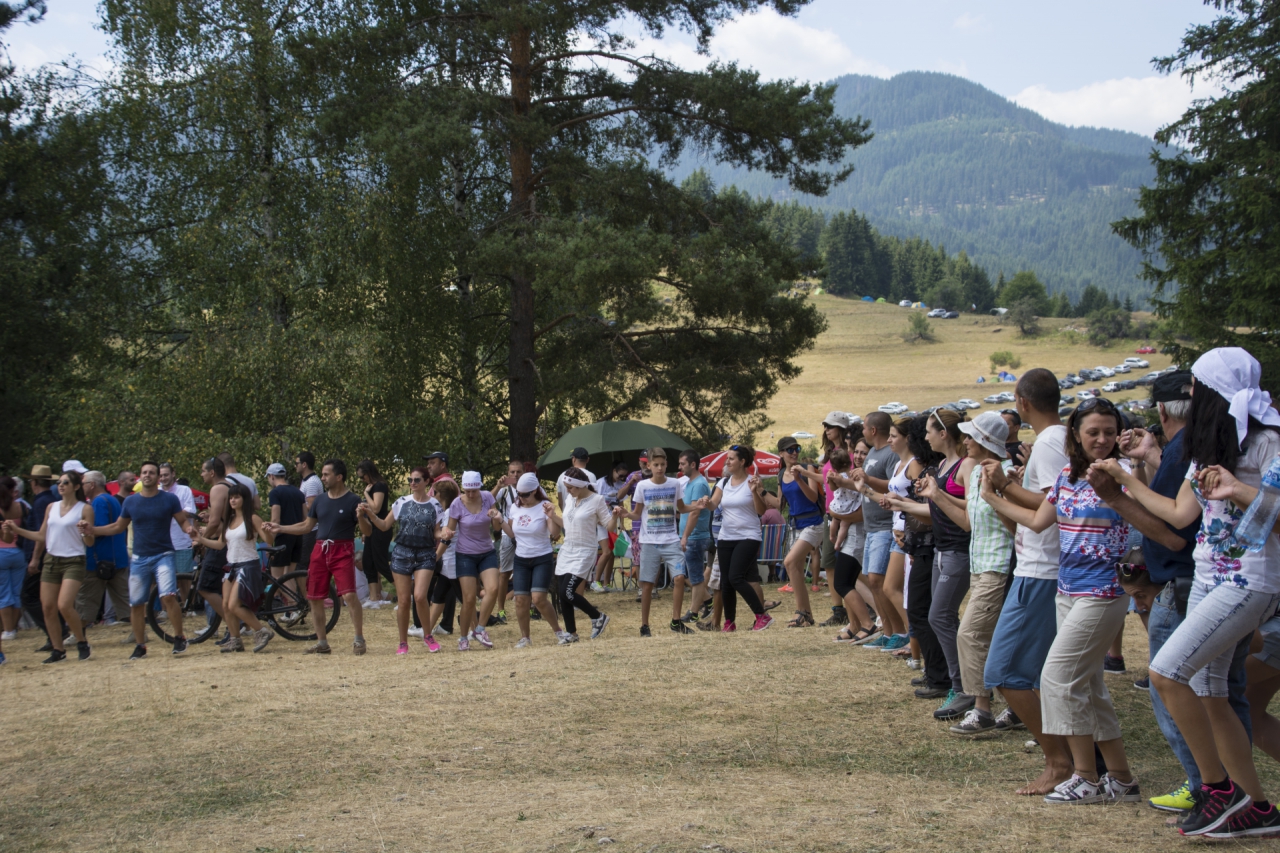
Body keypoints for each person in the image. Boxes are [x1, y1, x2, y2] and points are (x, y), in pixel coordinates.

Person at [1098, 348, 1280, 837]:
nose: (1191, 396)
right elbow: (1178, 515)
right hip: (1207, 578)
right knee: (1209, 692)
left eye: (1198, 388)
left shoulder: (1268, 443)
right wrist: (1121, 482)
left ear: (1219, 391)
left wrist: (1237, 491)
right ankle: (1257, 809)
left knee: (1165, 672)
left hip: (1250, 580)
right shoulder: (1208, 446)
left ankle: (1218, 789)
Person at [983, 396, 1140, 806]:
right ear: (1076, 434)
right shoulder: (1069, 477)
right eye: (1093, 432)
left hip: (1104, 593)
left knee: (1056, 678)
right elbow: (1037, 521)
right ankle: (1120, 779)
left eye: (1109, 432)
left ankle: (1085, 777)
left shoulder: (1125, 476)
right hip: (1067, 591)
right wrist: (995, 494)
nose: (1102, 439)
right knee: (1089, 686)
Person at [1101, 372, 1219, 813]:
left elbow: (1172, 527)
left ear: (1163, 410)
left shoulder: (1186, 449)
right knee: (1210, 688)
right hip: (1190, 580)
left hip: (1181, 580)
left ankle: (1205, 783)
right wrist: (1149, 454)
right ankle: (1222, 784)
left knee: (1167, 684)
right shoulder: (1185, 449)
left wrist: (1118, 487)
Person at [978, 368, 1073, 795]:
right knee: (1036, 675)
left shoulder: (1052, 440)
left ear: (1022, 402)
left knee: (1006, 672)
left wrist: (1000, 490)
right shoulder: (1057, 439)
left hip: (1041, 570)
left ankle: (1059, 763)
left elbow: (1053, 506)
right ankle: (1078, 758)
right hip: (1036, 568)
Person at [890, 409, 975, 719]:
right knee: (940, 617)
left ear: (943, 434)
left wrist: (935, 496)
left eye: (928, 431)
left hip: (958, 550)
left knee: (939, 616)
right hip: (942, 548)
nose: (923, 437)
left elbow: (968, 512)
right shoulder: (942, 465)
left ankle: (965, 687)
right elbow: (934, 505)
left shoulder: (967, 466)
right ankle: (962, 685)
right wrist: (900, 503)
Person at [940, 412, 1016, 734]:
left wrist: (996, 493)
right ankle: (1017, 708)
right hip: (979, 566)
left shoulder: (1007, 475)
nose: (965, 441)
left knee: (969, 634)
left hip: (998, 566)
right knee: (995, 638)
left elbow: (1018, 526)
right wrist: (935, 495)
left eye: (970, 436)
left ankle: (982, 709)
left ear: (985, 441)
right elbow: (970, 524)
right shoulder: (973, 475)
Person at [81, 462, 196, 659]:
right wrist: (93, 530)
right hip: (140, 558)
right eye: (144, 472)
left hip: (164, 554)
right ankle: (140, 644)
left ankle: (179, 637)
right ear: (139, 477)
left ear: (158, 477)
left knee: (168, 596)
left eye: (152, 472)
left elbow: (182, 520)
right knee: (136, 603)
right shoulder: (131, 502)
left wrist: (189, 530)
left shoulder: (169, 499)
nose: (148, 475)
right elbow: (117, 527)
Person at [264, 458, 367, 655]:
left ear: (339, 477)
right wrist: (280, 527)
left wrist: (361, 517)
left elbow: (367, 531)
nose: (323, 478)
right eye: (322, 474)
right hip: (320, 550)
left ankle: (359, 639)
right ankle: (322, 643)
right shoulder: (319, 500)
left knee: (349, 595)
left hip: (342, 549)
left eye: (326, 474)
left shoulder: (353, 500)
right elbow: (306, 526)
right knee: (314, 597)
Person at [6, 470, 96, 662]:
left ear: (76, 487)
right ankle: (58, 650)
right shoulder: (51, 507)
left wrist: (85, 532)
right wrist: (16, 530)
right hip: (52, 559)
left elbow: (89, 542)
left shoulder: (84, 509)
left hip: (74, 560)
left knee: (64, 604)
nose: (61, 485)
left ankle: (81, 641)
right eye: (60, 483)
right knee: (47, 607)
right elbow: (41, 536)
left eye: (65, 482)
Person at [612, 448, 697, 637]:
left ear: (667, 465)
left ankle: (676, 621)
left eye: (662, 464)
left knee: (679, 578)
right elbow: (637, 513)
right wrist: (626, 514)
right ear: (648, 466)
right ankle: (645, 625)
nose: (659, 468)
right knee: (647, 584)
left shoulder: (675, 484)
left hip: (671, 540)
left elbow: (681, 508)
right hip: (648, 541)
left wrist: (697, 506)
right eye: (655, 465)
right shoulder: (642, 486)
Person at [359, 466, 440, 654]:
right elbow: (385, 524)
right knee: (404, 600)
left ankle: (427, 635)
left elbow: (435, 531)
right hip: (402, 552)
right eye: (410, 480)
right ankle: (403, 642)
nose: (413, 483)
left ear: (426, 482)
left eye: (417, 480)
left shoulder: (435, 505)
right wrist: (370, 515)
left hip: (425, 553)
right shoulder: (401, 502)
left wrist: (443, 533)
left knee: (420, 596)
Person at [192, 483, 275, 653]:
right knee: (225, 605)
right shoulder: (229, 521)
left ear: (245, 499)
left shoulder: (252, 518)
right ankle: (235, 639)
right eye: (231, 497)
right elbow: (221, 544)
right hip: (231, 565)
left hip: (248, 564)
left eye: (236, 497)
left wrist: (268, 532)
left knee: (234, 605)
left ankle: (261, 631)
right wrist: (201, 540)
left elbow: (268, 539)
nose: (232, 500)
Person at [700, 446, 773, 632]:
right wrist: (707, 503)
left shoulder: (752, 481)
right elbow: (714, 504)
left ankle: (762, 615)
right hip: (726, 537)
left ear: (742, 461)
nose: (728, 462)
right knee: (726, 581)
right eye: (727, 459)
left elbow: (760, 511)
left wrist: (756, 491)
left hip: (748, 535)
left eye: (731, 459)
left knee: (735, 577)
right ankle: (729, 623)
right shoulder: (723, 483)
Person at [850, 412, 909, 644]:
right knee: (872, 581)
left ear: (873, 430)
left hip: (886, 525)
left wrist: (867, 479)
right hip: (871, 526)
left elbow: (892, 485)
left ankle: (901, 632)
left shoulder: (889, 454)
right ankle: (887, 632)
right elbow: (866, 484)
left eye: (864, 427)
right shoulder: (873, 452)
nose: (862, 431)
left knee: (878, 580)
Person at [493, 472, 569, 645]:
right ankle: (525, 637)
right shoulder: (515, 507)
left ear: (535, 491)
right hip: (521, 558)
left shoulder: (544, 505)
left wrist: (552, 516)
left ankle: (559, 631)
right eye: (519, 494)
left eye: (525, 494)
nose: (522, 498)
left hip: (541, 557)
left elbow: (555, 534)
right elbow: (512, 533)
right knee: (520, 600)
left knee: (538, 599)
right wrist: (500, 520)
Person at [440, 471, 501, 651]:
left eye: (475, 491)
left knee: (493, 589)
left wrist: (496, 517)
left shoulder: (488, 497)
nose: (472, 494)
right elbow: (449, 530)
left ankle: (480, 629)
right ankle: (463, 637)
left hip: (486, 551)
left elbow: (496, 527)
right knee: (468, 600)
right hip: (465, 554)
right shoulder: (456, 503)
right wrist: (445, 533)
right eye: (468, 491)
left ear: (480, 487)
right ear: (464, 489)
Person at [825, 447, 877, 643]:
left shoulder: (862, 479)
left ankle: (868, 624)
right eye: (856, 452)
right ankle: (855, 625)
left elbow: (858, 514)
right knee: (849, 580)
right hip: (851, 535)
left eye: (863, 453)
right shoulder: (851, 476)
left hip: (857, 536)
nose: (858, 456)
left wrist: (836, 515)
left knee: (842, 582)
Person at [555, 467, 612, 641]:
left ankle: (597, 616)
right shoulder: (571, 499)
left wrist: (616, 516)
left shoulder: (597, 500)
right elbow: (567, 523)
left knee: (568, 592)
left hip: (585, 550)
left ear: (580, 486)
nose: (568, 491)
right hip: (567, 549)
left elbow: (609, 526)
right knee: (561, 592)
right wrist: (550, 515)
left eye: (570, 488)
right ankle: (571, 633)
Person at [73, 471, 131, 631]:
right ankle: (138, 632)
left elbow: (96, 528)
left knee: (85, 600)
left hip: (99, 561)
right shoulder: (112, 499)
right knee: (125, 601)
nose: (81, 487)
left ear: (92, 485)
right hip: (118, 558)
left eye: (83, 483)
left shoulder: (98, 503)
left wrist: (85, 530)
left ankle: (78, 634)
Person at [775, 435, 824, 627]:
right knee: (793, 567)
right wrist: (759, 491)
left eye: (797, 448)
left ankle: (802, 612)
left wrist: (799, 478)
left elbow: (813, 497)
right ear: (781, 454)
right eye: (790, 450)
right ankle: (805, 614)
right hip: (796, 526)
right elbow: (779, 504)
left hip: (813, 522)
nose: (794, 452)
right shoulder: (780, 475)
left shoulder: (807, 469)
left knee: (789, 561)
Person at [20, 465, 60, 649]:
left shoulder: (40, 503)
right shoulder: (52, 500)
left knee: (29, 596)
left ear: (34, 482)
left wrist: (35, 558)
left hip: (43, 555)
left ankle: (55, 632)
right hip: (52, 553)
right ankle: (54, 634)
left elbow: (40, 534)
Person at [817, 413, 852, 625]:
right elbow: (825, 479)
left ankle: (858, 606)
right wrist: (805, 473)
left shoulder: (849, 451)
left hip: (846, 511)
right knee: (829, 562)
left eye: (831, 426)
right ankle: (838, 609)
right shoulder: (829, 453)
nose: (827, 429)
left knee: (849, 563)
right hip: (830, 511)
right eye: (825, 426)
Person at [197, 456, 233, 643]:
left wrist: (200, 540)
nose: (201, 474)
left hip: (220, 545)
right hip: (227, 542)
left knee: (205, 587)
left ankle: (233, 625)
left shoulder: (217, 488)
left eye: (203, 471)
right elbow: (221, 519)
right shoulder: (228, 486)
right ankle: (233, 626)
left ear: (212, 472)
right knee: (221, 588)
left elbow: (214, 524)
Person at [677, 450, 713, 624]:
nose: (679, 467)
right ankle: (708, 601)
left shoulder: (698, 484)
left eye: (682, 463)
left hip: (696, 537)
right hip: (692, 537)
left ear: (693, 464)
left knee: (696, 577)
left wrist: (685, 536)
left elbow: (695, 513)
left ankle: (693, 612)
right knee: (687, 575)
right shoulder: (691, 483)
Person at [355, 459, 393, 607]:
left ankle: (407, 591)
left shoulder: (379, 486)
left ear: (369, 473)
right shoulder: (372, 487)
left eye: (362, 476)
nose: (362, 479)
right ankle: (373, 598)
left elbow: (376, 508)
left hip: (381, 527)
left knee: (381, 563)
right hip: (372, 529)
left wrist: (366, 495)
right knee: (368, 562)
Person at [592, 461, 631, 592]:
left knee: (612, 553)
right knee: (606, 551)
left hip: (613, 521)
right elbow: (593, 501)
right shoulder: (601, 483)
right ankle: (596, 581)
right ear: (613, 471)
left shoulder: (621, 485)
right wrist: (596, 517)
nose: (622, 478)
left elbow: (621, 504)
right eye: (620, 475)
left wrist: (623, 524)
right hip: (601, 522)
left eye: (624, 477)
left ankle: (607, 583)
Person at [0, 477, 26, 657]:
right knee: (16, 593)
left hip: (1, 552)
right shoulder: (21, 507)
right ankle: (14, 628)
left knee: (3, 593)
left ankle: (8, 630)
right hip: (18, 553)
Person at [265, 463, 305, 579]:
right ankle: (294, 598)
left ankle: (287, 598)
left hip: (283, 537)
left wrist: (269, 543)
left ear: (272, 476)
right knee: (288, 576)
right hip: (298, 536)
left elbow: (275, 519)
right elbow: (305, 517)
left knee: (277, 576)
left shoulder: (275, 493)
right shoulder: (298, 492)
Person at [158, 463, 198, 576]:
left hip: (181, 543)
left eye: (166, 475)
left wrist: (171, 512)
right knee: (161, 581)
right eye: (160, 476)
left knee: (183, 580)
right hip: (161, 545)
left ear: (173, 474)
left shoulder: (184, 490)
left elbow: (191, 512)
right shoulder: (156, 492)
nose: (163, 478)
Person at [295, 452, 322, 575]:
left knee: (302, 563)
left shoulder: (311, 482)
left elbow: (311, 505)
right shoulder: (307, 480)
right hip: (308, 527)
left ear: (304, 464)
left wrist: (295, 507)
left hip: (311, 529)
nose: (296, 466)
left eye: (297, 463)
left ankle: (305, 594)